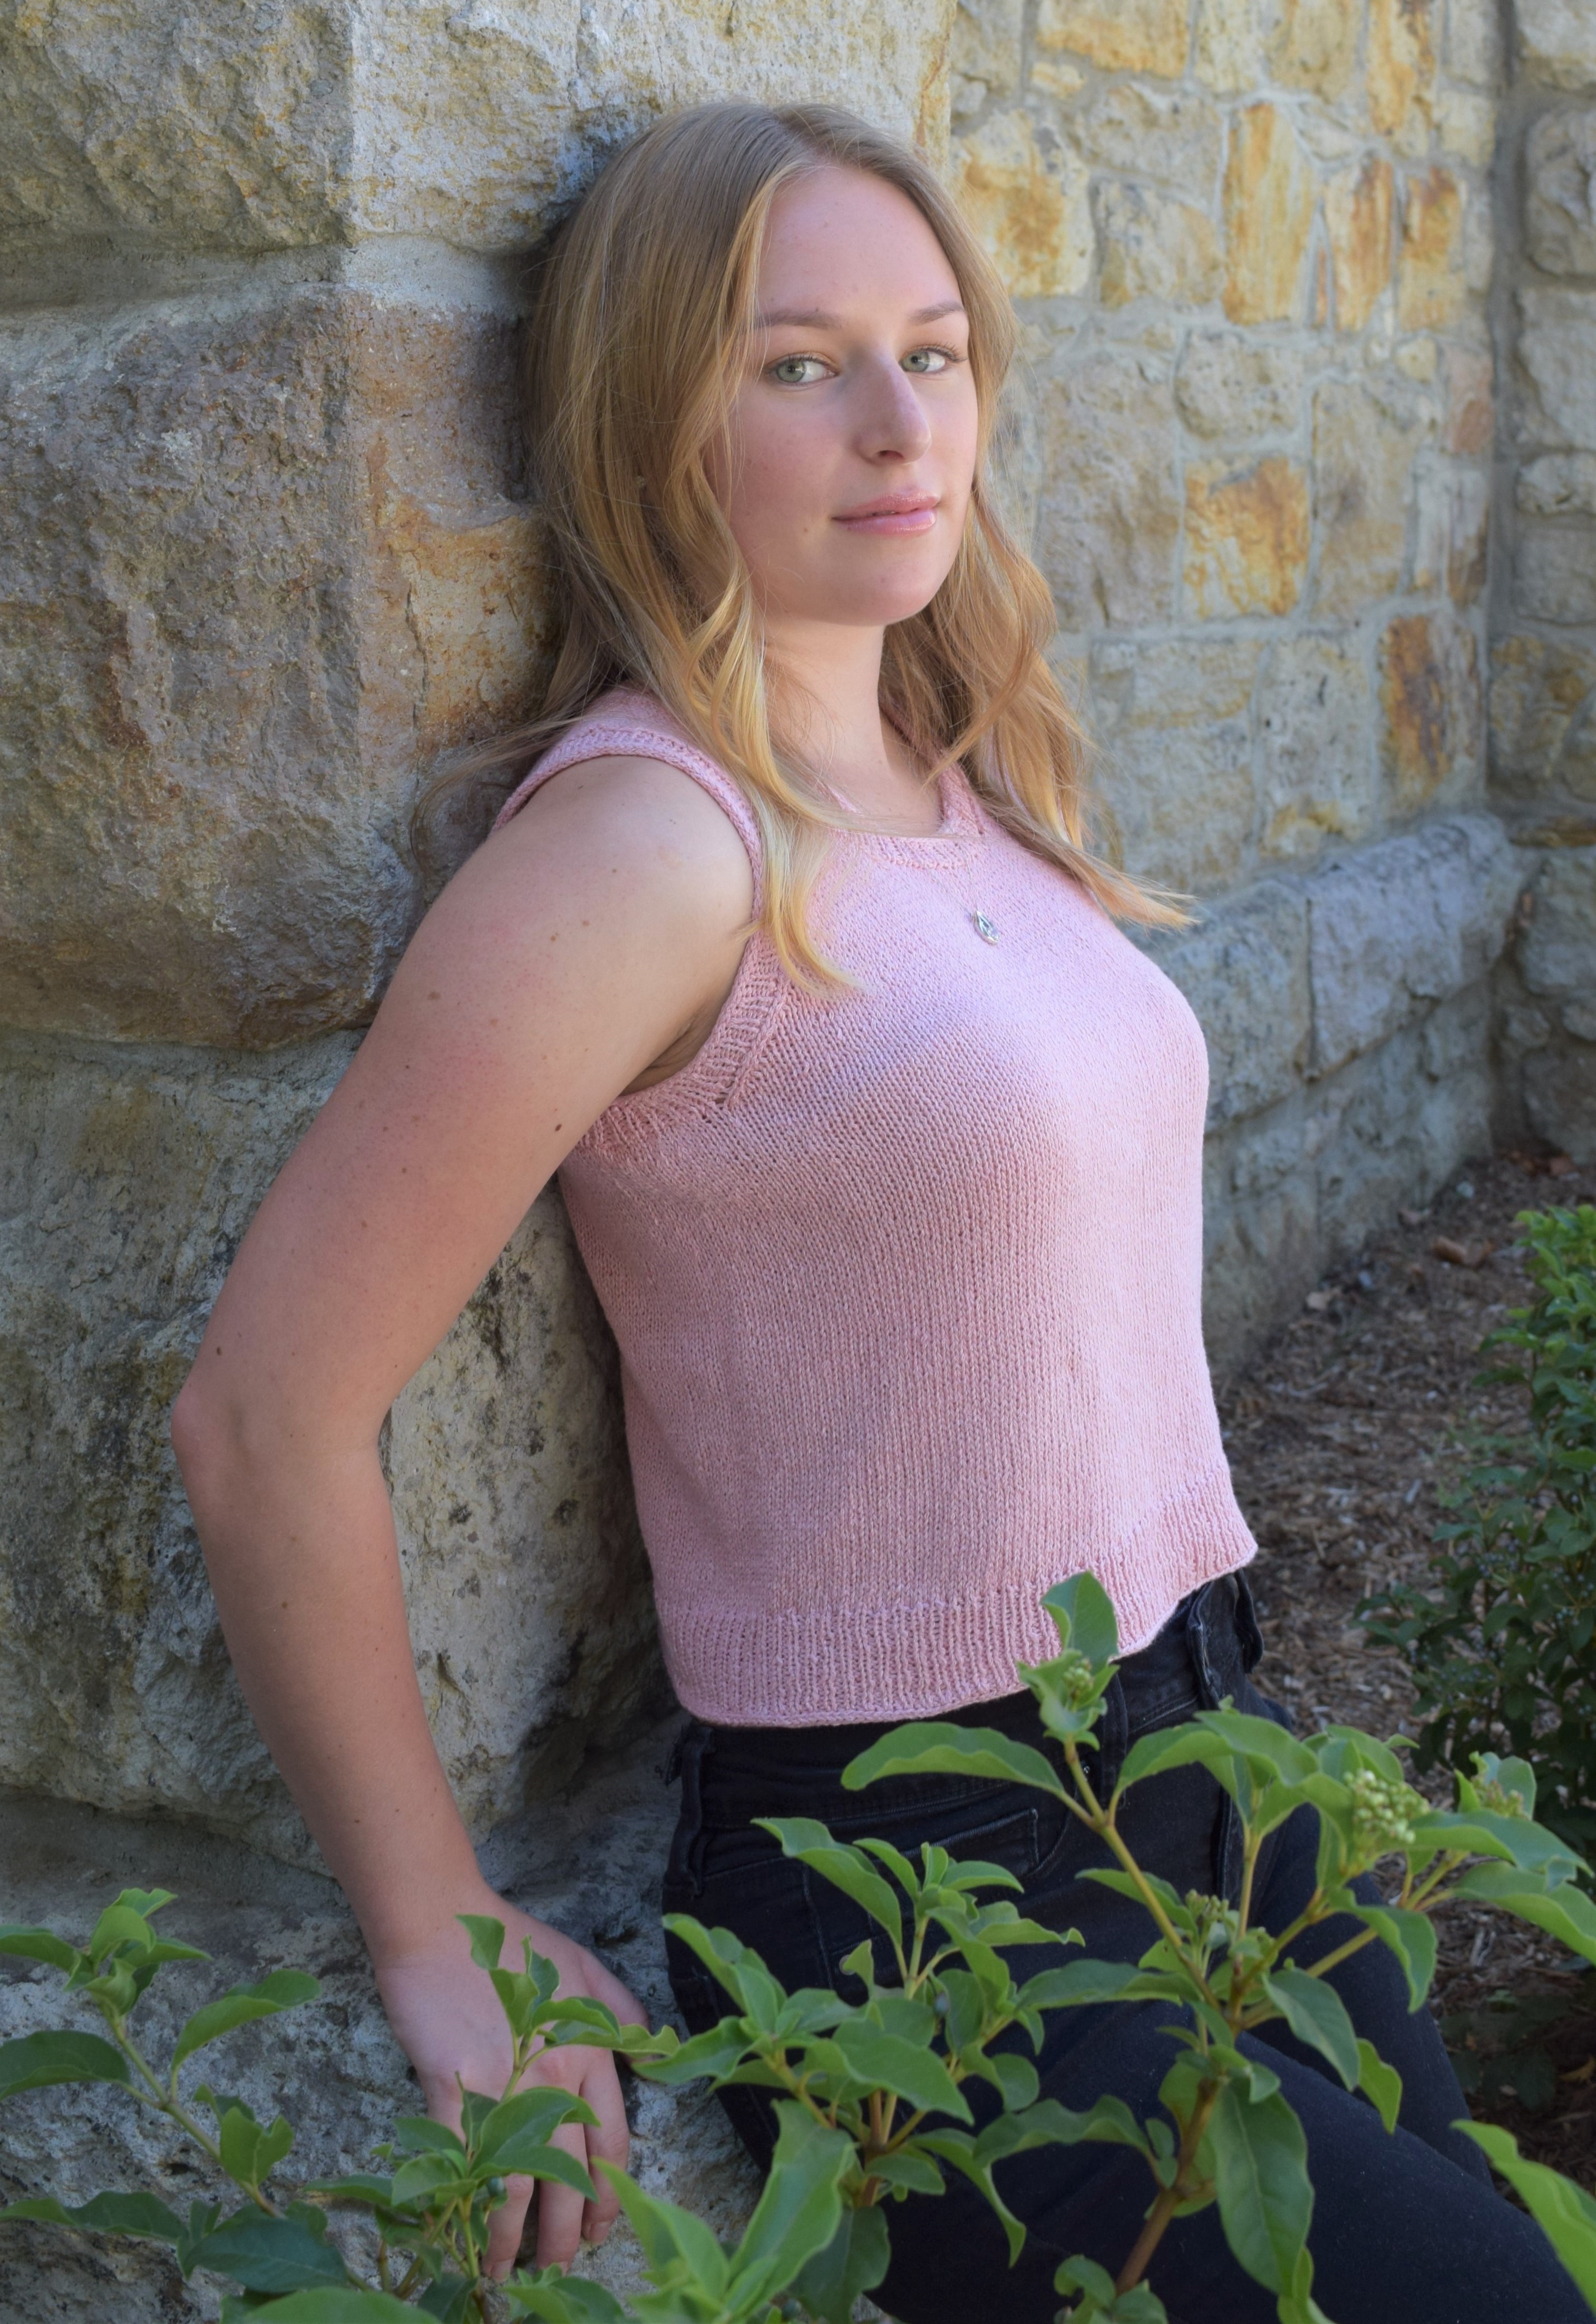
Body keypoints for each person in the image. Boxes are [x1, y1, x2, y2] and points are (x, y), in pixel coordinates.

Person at [171, 102, 1582, 2324]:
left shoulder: (967, 777)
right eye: (798, 363)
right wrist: (433, 1919)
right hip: (929, 1875)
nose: (901, 422)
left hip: (1213, 1756)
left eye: (933, 349)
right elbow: (265, 1410)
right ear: (655, 415)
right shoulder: (647, 850)